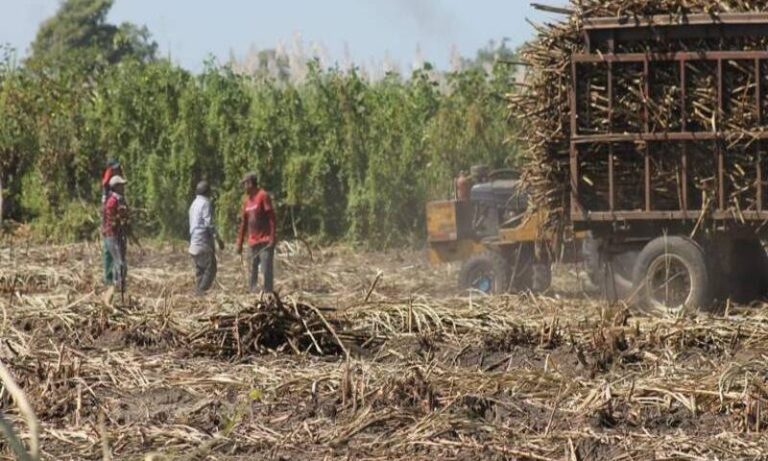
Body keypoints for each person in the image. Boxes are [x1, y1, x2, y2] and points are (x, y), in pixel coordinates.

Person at [236, 172, 276, 294]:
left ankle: (268, 293)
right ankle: (252, 292)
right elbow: (244, 223)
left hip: (265, 241)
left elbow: (272, 218)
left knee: (266, 269)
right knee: (252, 269)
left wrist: (272, 237)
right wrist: (239, 243)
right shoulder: (247, 201)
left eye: (245, 184)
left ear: (250, 183)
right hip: (252, 241)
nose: (244, 187)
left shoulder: (263, 196)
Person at [188, 181, 225, 295]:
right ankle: (201, 290)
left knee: (200, 269)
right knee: (211, 268)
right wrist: (218, 239)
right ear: (207, 192)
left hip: (194, 243)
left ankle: (199, 293)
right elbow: (209, 224)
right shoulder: (205, 203)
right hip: (202, 242)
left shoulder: (193, 204)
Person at [102, 175, 129, 303]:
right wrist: (120, 216)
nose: (123, 187)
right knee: (120, 263)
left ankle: (119, 286)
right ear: (116, 187)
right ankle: (117, 287)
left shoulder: (120, 200)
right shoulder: (112, 201)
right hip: (112, 234)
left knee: (121, 262)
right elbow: (111, 219)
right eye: (121, 185)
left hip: (118, 234)